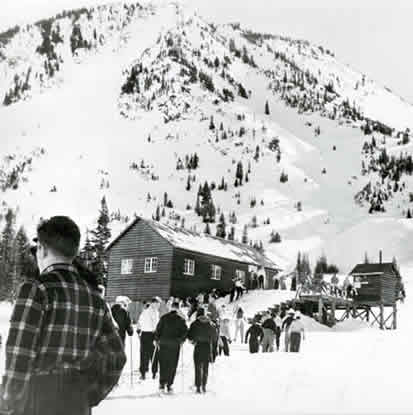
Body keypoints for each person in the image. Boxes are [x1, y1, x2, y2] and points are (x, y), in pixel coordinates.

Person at [0, 216, 126, 415]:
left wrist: (8, 404)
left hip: (37, 398)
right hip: (77, 400)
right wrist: (90, 394)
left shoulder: (36, 289)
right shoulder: (95, 297)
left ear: (42, 249)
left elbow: (20, 354)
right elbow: (116, 356)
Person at [154, 301, 188, 393]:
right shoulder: (181, 320)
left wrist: (157, 340)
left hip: (164, 344)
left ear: (171, 308)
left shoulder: (163, 318)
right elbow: (185, 332)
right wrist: (181, 340)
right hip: (175, 345)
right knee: (172, 365)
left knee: (163, 364)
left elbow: (158, 330)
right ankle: (169, 384)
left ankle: (162, 384)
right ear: (178, 308)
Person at [187, 308, 218, 393]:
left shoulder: (194, 324)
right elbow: (215, 337)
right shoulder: (211, 324)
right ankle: (204, 385)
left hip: (198, 346)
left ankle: (198, 386)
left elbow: (189, 336)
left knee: (197, 366)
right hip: (207, 347)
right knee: (205, 367)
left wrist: (193, 341)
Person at [137, 297, 160, 380]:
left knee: (144, 354)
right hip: (151, 334)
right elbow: (155, 325)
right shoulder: (154, 312)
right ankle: (154, 372)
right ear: (153, 303)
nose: (159, 305)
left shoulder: (144, 311)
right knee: (153, 353)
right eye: (158, 303)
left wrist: (139, 331)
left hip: (144, 335)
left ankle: (143, 373)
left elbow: (139, 323)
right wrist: (157, 336)